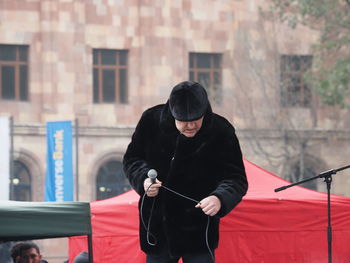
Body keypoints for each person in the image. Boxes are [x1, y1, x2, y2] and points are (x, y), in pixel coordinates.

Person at [123, 81, 248, 263]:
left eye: (195, 120)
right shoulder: (150, 121)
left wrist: (219, 198)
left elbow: (236, 178)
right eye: (183, 121)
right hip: (158, 228)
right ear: (172, 114)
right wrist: (143, 180)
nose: (190, 126)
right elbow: (131, 159)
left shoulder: (222, 131)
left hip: (199, 229)